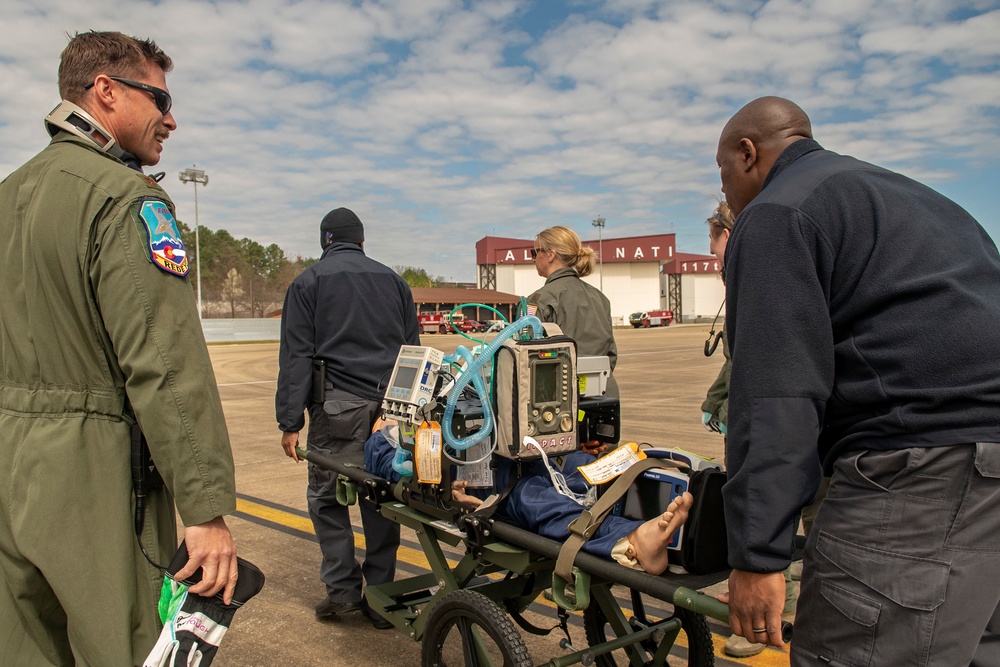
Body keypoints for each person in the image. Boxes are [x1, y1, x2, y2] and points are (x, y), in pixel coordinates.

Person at [716, 96, 1000, 665]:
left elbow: (777, 396)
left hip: (918, 472)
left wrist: (758, 556)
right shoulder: (919, 200)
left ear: (747, 153)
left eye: (722, 172)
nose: (724, 190)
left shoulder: (778, 212)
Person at [0, 31, 239, 666]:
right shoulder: (125, 198)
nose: (171, 119)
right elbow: (163, 364)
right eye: (160, 98)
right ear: (105, 90)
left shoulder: (8, 194)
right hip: (94, 477)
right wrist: (205, 510)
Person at [276, 208, 421, 629]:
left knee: (327, 499)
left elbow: (296, 356)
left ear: (325, 240)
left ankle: (342, 593)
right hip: (390, 410)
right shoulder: (395, 282)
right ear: (361, 241)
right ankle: (380, 598)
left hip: (337, 410)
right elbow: (413, 351)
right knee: (383, 497)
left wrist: (290, 422)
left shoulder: (308, 283)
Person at [364, 425, 693, 575]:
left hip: (516, 454)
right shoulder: (383, 445)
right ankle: (628, 540)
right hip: (492, 481)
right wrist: (385, 429)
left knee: (581, 465)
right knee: (533, 498)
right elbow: (386, 458)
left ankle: (661, 500)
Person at [700, 201, 798, 659]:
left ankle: (765, 617)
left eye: (715, 246)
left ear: (730, 234)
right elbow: (736, 358)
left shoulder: (764, 276)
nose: (713, 259)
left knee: (767, 508)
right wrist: (716, 401)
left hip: (777, 418)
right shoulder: (749, 277)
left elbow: (760, 362)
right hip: (778, 413)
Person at [527, 226, 619, 398]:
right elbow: (610, 354)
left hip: (559, 400)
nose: (533, 259)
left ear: (550, 254)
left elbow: (526, 360)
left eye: (535, 252)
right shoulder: (600, 297)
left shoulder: (539, 300)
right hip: (603, 396)